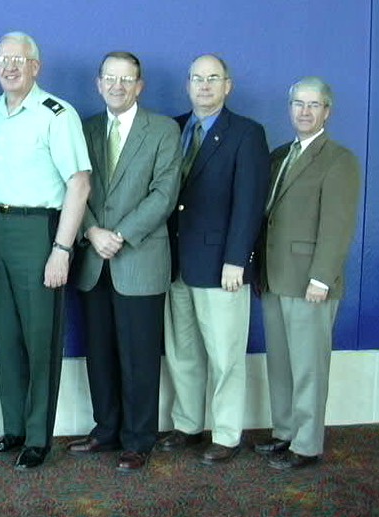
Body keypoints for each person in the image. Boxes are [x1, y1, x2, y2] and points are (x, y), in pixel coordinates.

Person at [0, 32, 90, 470]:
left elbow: (79, 184)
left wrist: (61, 249)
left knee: (41, 338)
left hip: (41, 232)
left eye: (19, 60)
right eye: (3, 59)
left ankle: (38, 438)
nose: (10, 66)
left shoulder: (57, 115)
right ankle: (14, 429)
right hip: (0, 232)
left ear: (36, 66)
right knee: (6, 335)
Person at [70, 52, 181, 472]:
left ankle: (138, 440)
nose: (117, 86)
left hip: (139, 258)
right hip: (94, 259)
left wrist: (120, 235)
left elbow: (164, 193)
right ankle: (106, 430)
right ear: (98, 83)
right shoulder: (85, 128)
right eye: (110, 78)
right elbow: (75, 186)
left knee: (139, 356)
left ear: (140, 85)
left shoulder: (164, 130)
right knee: (99, 352)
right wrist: (92, 232)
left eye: (126, 79)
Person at [160, 54, 270, 464]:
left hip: (222, 266)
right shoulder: (172, 128)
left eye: (213, 78)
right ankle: (187, 425)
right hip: (174, 262)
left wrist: (237, 261)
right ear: (187, 84)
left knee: (225, 357)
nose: (204, 86)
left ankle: (225, 434)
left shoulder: (246, 133)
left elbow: (250, 203)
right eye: (197, 78)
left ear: (228, 85)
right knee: (182, 352)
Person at [256, 77, 360, 470]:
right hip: (276, 277)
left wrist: (321, 277)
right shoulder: (280, 155)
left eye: (313, 105)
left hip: (310, 282)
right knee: (281, 362)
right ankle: (285, 432)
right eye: (298, 103)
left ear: (327, 112)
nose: (304, 111)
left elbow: (337, 225)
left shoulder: (339, 159)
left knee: (309, 366)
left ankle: (307, 445)